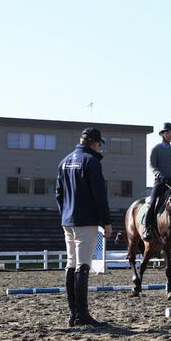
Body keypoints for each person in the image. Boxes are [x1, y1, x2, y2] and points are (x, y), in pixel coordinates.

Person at [56, 127, 112, 327]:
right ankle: (82, 314)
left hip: (67, 220)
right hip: (85, 221)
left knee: (71, 264)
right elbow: (99, 195)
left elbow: (58, 194)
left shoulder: (64, 162)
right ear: (95, 143)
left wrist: (65, 214)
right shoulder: (91, 162)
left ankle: (74, 313)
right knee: (83, 265)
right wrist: (106, 222)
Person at [143, 122, 171, 240]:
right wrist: (159, 174)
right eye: (169, 133)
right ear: (163, 134)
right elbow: (152, 165)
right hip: (160, 182)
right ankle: (147, 229)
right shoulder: (156, 149)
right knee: (152, 204)